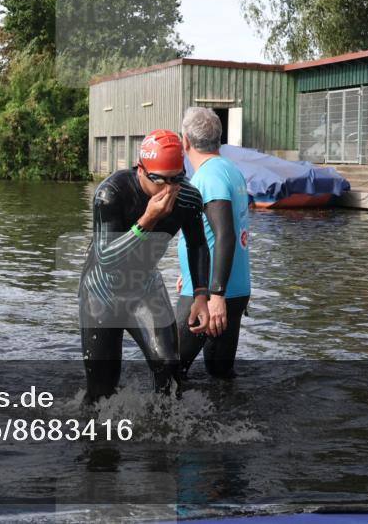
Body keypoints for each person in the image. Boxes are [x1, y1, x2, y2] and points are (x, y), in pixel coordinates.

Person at [79, 129, 211, 402]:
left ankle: (164, 431)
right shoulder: (111, 193)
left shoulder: (188, 198)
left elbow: (198, 243)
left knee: (168, 364)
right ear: (141, 170)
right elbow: (106, 258)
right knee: (102, 388)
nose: (169, 189)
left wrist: (201, 294)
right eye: (161, 181)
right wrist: (147, 220)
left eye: (177, 179)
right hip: (102, 290)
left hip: (144, 285)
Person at [175, 108, 252, 379]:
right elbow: (213, 232)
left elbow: (224, 234)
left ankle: (159, 422)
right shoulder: (231, 170)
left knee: (168, 368)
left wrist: (216, 295)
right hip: (235, 288)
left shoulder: (208, 176)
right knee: (219, 374)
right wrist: (187, 270)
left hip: (209, 295)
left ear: (185, 141)